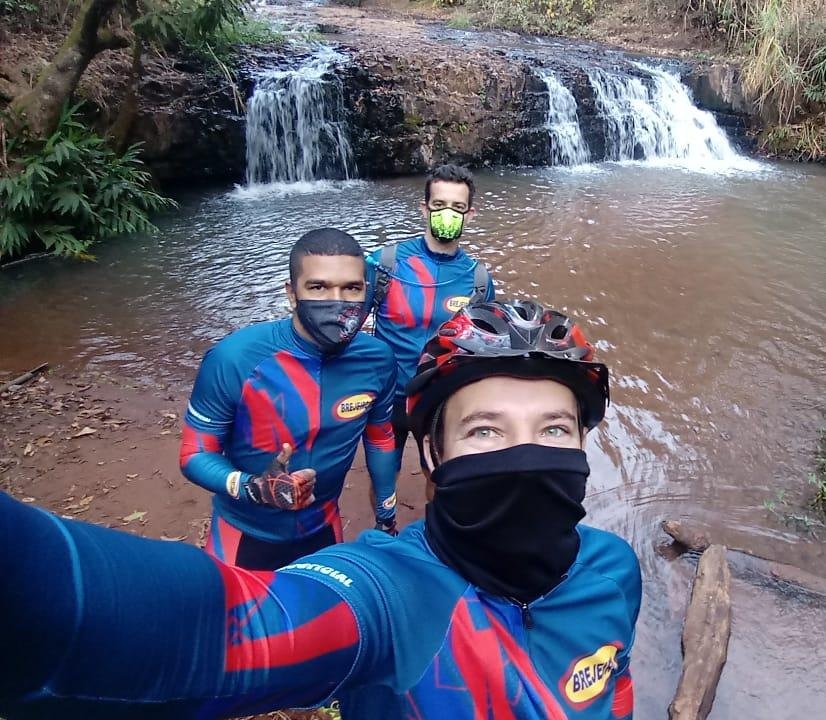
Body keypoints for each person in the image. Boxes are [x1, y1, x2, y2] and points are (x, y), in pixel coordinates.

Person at [0, 299, 641, 720]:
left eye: (554, 429)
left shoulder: (613, 569)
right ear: (433, 454)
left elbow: (614, 686)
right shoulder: (389, 593)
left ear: (583, 443)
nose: (525, 455)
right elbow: (218, 630)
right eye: (485, 431)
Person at [179, 227, 399, 571]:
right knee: (230, 609)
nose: (337, 301)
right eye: (318, 287)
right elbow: (194, 454)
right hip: (244, 536)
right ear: (292, 294)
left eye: (351, 288)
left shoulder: (378, 359)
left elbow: (380, 438)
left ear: (366, 291)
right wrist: (253, 487)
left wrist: (386, 514)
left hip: (324, 530)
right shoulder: (235, 359)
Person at [366, 164, 495, 482]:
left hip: (440, 400)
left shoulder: (478, 279)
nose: (447, 213)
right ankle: (385, 515)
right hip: (387, 399)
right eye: (439, 204)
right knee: (383, 480)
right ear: (424, 209)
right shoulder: (385, 264)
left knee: (440, 480)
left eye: (457, 207)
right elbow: (348, 327)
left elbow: (483, 347)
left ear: (470, 215)